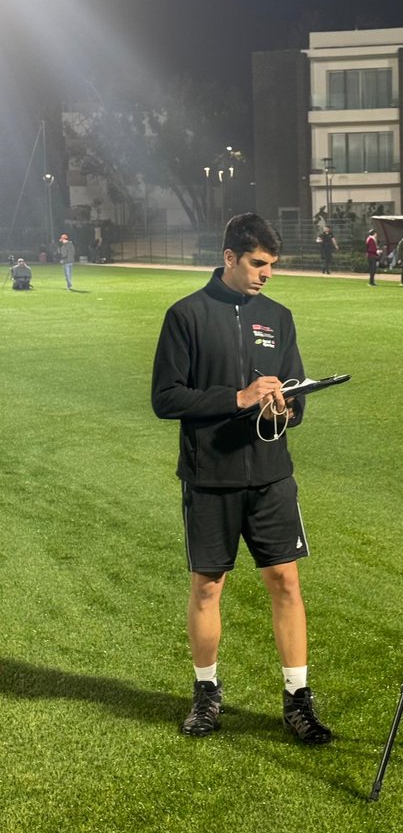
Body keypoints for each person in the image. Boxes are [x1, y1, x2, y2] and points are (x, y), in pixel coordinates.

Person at [151, 212, 332, 745]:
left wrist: (283, 408)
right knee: (208, 588)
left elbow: (295, 396)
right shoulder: (185, 315)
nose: (266, 274)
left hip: (273, 476)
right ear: (229, 257)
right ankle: (206, 692)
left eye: (271, 265)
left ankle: (297, 699)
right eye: (257, 263)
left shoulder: (279, 315)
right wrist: (238, 397)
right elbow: (166, 398)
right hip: (211, 476)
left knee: (286, 581)